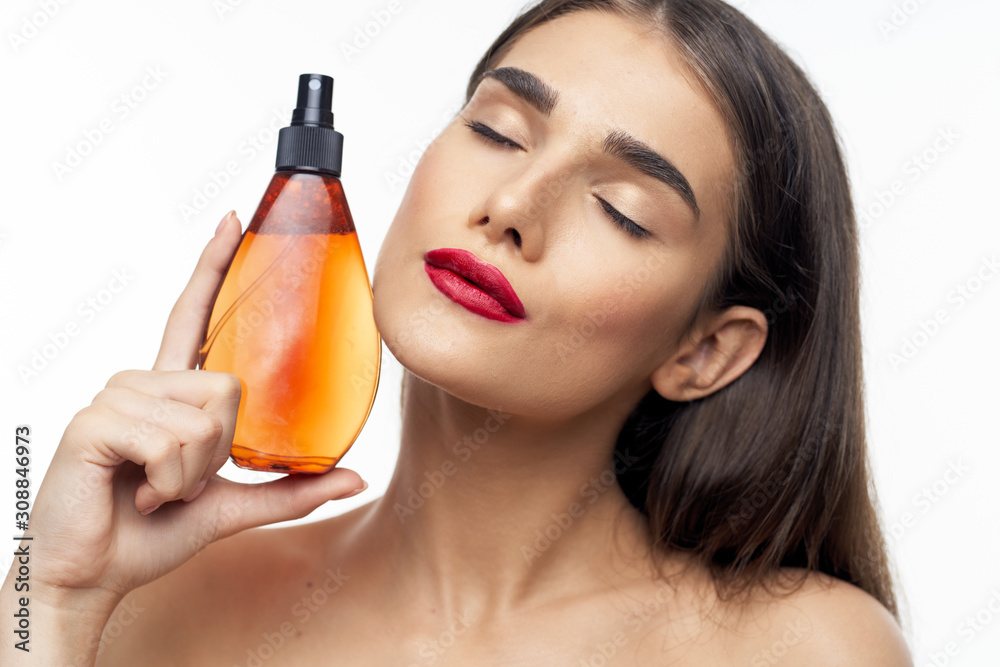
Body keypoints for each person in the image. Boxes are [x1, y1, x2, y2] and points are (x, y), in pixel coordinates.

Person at [2, 0, 913, 664]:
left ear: (705, 350)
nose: (512, 206)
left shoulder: (799, 648)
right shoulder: (158, 602)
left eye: (622, 210)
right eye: (497, 130)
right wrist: (49, 598)